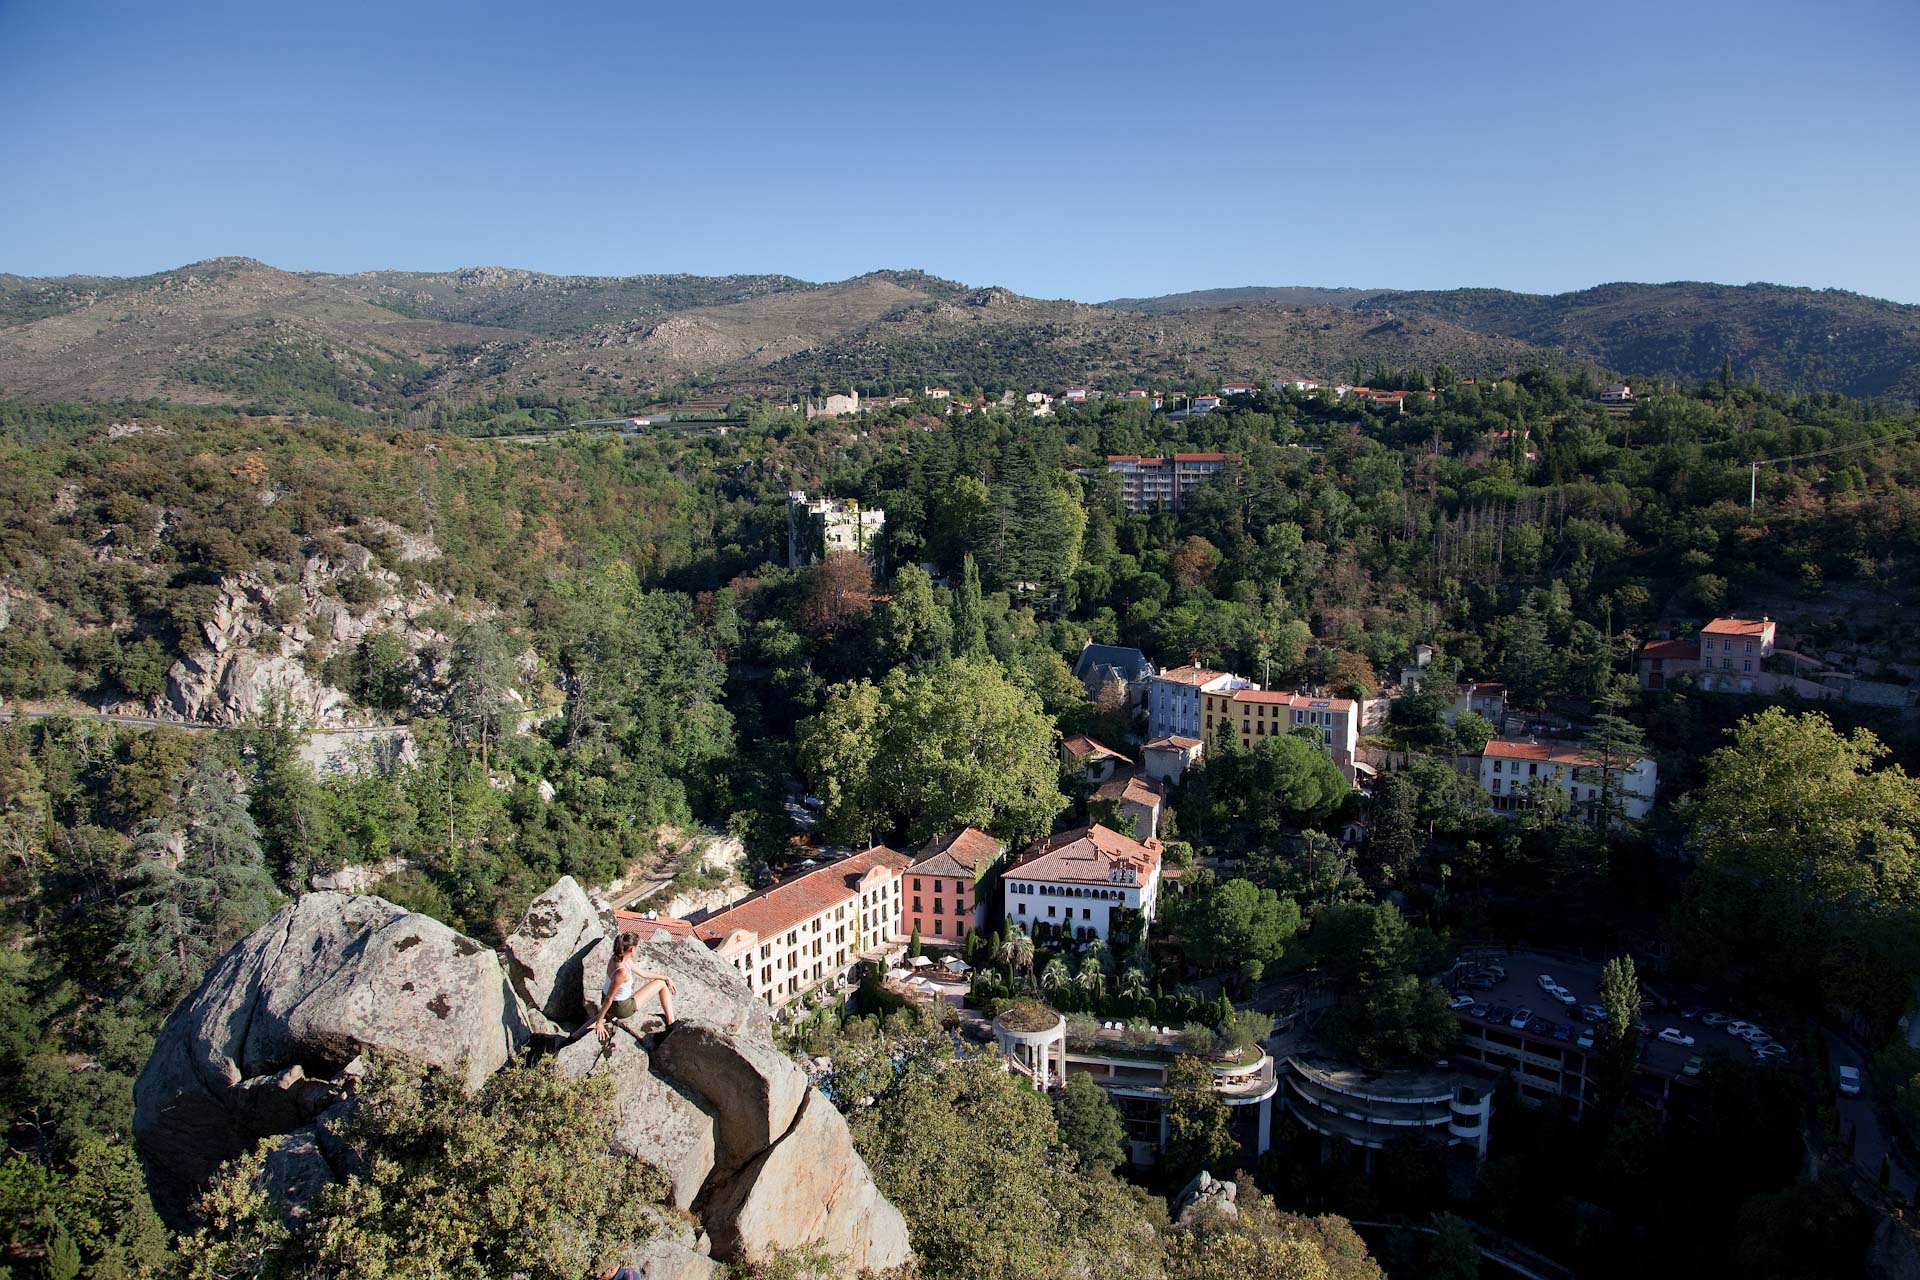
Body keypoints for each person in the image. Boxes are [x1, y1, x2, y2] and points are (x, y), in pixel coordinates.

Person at [590, 931, 677, 1044]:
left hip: (610, 1001)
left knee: (662, 981)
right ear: (631, 949)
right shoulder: (622, 972)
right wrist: (599, 1023)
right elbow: (609, 999)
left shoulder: (618, 958)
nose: (638, 949)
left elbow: (643, 973)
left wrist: (665, 977)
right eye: (637, 947)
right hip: (621, 1008)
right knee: (661, 984)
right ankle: (671, 1024)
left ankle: (573, 1038)